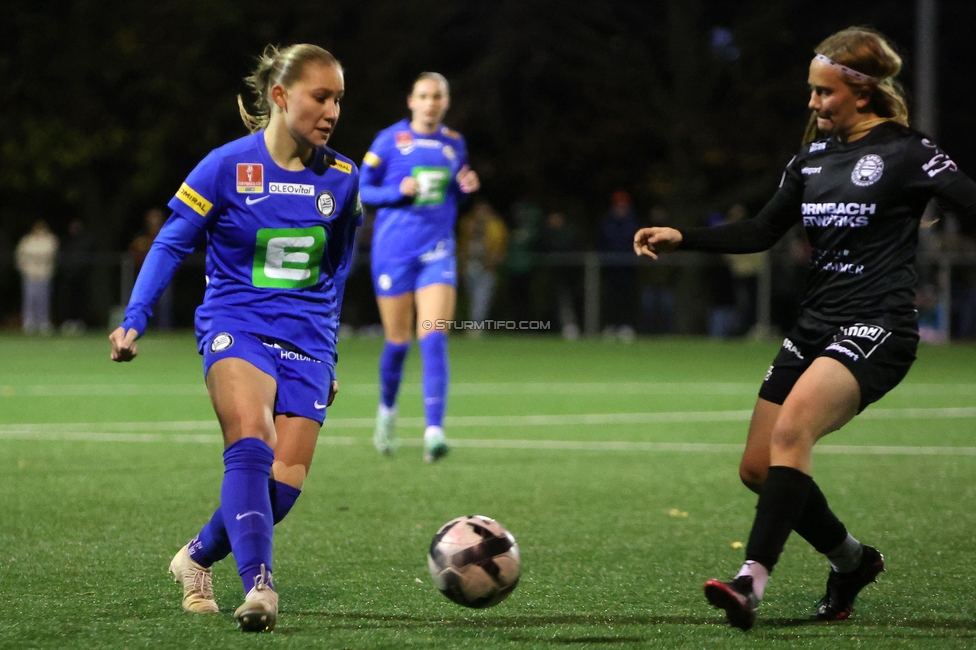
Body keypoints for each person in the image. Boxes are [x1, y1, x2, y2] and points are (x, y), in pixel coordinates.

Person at [634, 27, 976, 631]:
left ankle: (750, 584)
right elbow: (764, 230)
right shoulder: (812, 157)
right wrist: (683, 236)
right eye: (811, 93)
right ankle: (852, 561)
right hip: (814, 325)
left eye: (825, 94)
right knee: (758, 470)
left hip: (879, 325)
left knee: (792, 430)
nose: (814, 104)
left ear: (862, 92)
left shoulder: (907, 151)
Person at [109, 44, 360, 632]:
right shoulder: (225, 166)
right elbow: (171, 242)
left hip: (309, 340)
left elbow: (338, 269)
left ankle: (196, 557)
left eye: (339, 100)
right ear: (280, 96)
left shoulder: (345, 179)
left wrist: (330, 352)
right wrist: (135, 317)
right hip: (235, 324)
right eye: (320, 97)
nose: (332, 111)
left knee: (284, 490)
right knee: (251, 436)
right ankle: (261, 587)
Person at [360, 72, 480, 462]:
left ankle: (434, 431)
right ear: (411, 101)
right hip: (394, 252)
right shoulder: (389, 141)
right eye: (424, 96)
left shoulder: (454, 144)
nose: (431, 103)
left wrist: (465, 190)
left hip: (437, 250)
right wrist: (397, 192)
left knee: (433, 336)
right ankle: (387, 415)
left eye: (438, 96)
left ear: (446, 102)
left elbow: (453, 200)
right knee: (398, 344)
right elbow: (362, 190)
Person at [457, 199, 508, 331]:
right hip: (471, 264)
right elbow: (462, 245)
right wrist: (462, 264)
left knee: (482, 298)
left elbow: (499, 246)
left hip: (486, 266)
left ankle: (476, 327)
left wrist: (493, 261)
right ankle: (476, 325)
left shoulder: (495, 225)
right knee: (473, 297)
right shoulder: (468, 223)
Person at [600, 191, 640, 342]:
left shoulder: (633, 222)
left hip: (628, 267)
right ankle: (610, 326)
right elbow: (602, 243)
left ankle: (626, 325)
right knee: (611, 298)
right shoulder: (607, 221)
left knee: (627, 298)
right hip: (610, 267)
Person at [129, 208, 175, 329]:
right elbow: (134, 255)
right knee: (144, 302)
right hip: (145, 277)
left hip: (164, 276)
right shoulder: (142, 239)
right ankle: (146, 328)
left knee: (164, 305)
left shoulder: (166, 235)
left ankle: (164, 329)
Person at [15, 220, 59, 335]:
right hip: (30, 274)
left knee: (43, 299)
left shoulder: (49, 240)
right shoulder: (27, 240)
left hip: (43, 274)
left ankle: (43, 322)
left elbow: (50, 254)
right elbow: (20, 255)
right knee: (30, 299)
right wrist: (25, 269)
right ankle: (29, 323)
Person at [58, 218, 96, 333]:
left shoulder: (86, 240)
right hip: (68, 277)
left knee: (81, 300)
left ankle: (80, 322)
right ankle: (68, 322)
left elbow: (88, 257)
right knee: (67, 300)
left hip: (81, 277)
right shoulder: (67, 240)